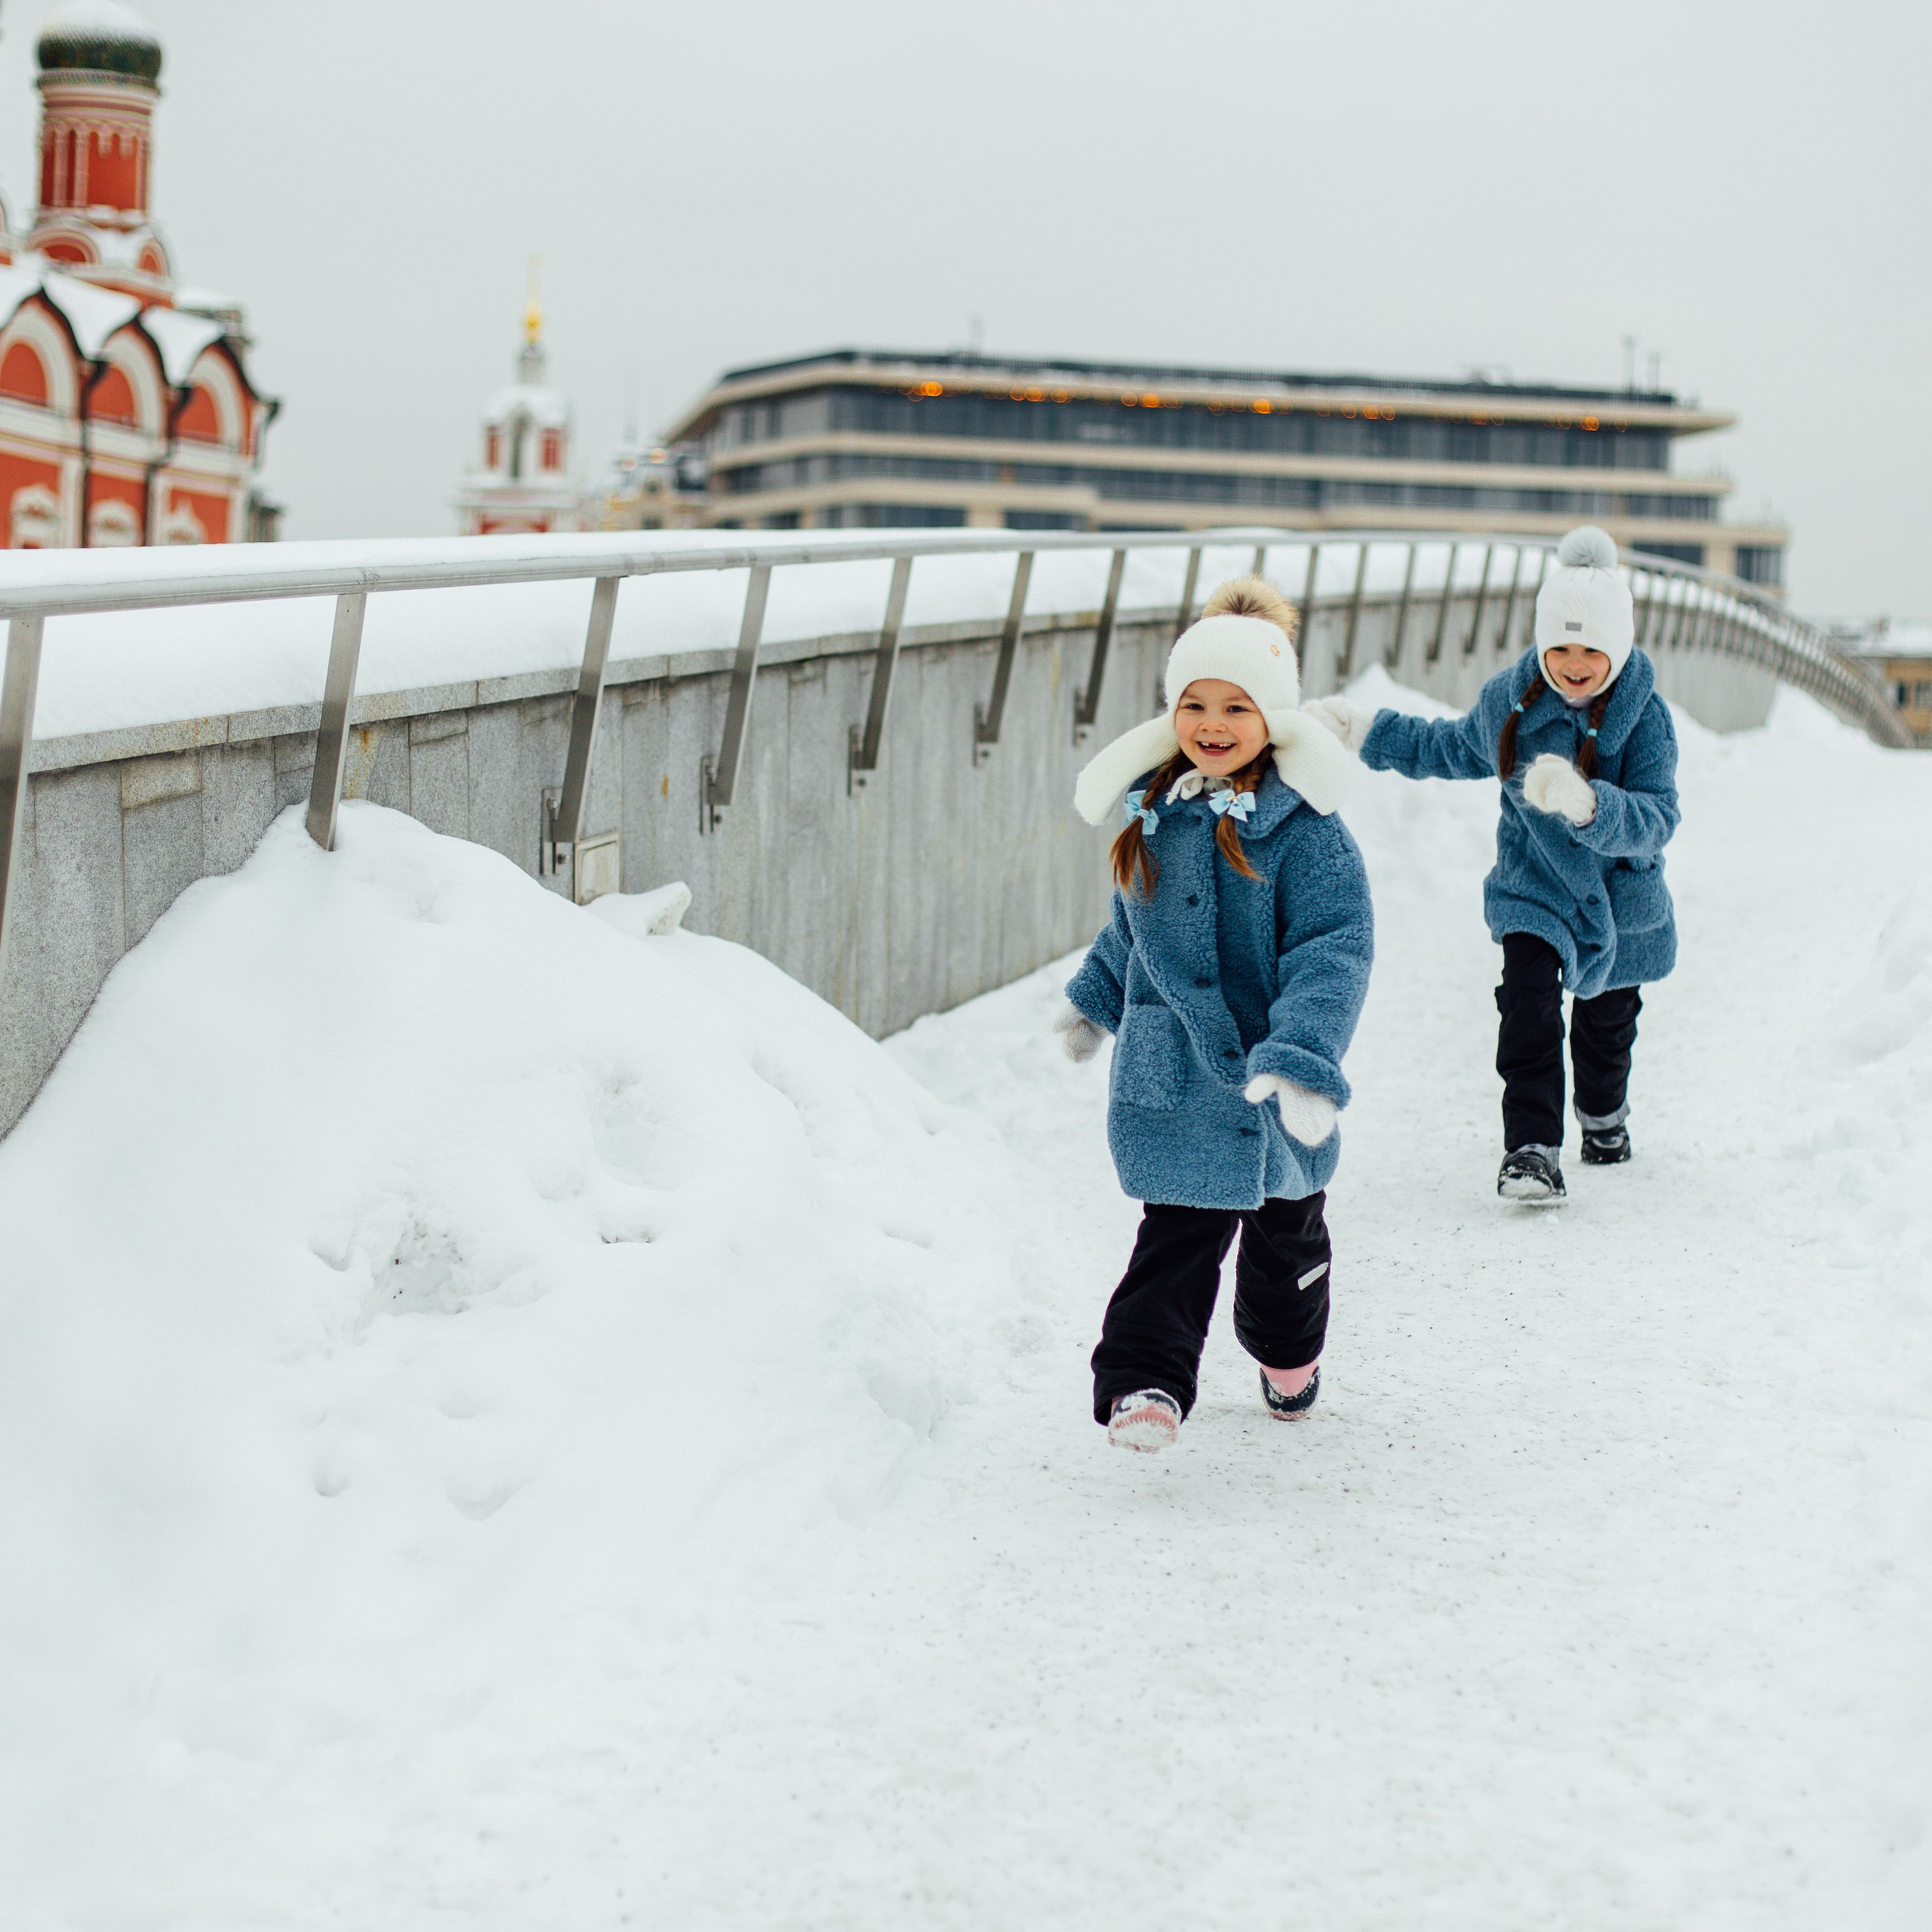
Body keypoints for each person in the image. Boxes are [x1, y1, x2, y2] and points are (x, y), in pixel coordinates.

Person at [1056, 579, 1374, 1454]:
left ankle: (1287, 1357)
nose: (1212, 721)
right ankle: (1144, 1384)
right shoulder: (1155, 815)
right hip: (1182, 1075)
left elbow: (1333, 947)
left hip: (1271, 1079)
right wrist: (1094, 999)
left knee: (1285, 1249)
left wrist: (1305, 1054)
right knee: (1175, 1237)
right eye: (1194, 703)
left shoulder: (1309, 833)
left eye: (1236, 705)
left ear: (1273, 716)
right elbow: (1132, 925)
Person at [1306, 526, 1679, 1203]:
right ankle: (1532, 1149)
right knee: (1528, 1009)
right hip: (1533, 890)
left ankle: (1604, 1118)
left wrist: (1590, 805)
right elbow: (1445, 747)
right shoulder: (1515, 704)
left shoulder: (1645, 718)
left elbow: (1659, 816)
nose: (1572, 662)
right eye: (1559, 646)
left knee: (1605, 1030)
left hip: (1619, 905)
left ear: (1617, 648)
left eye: (1591, 649)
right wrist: (1364, 731)